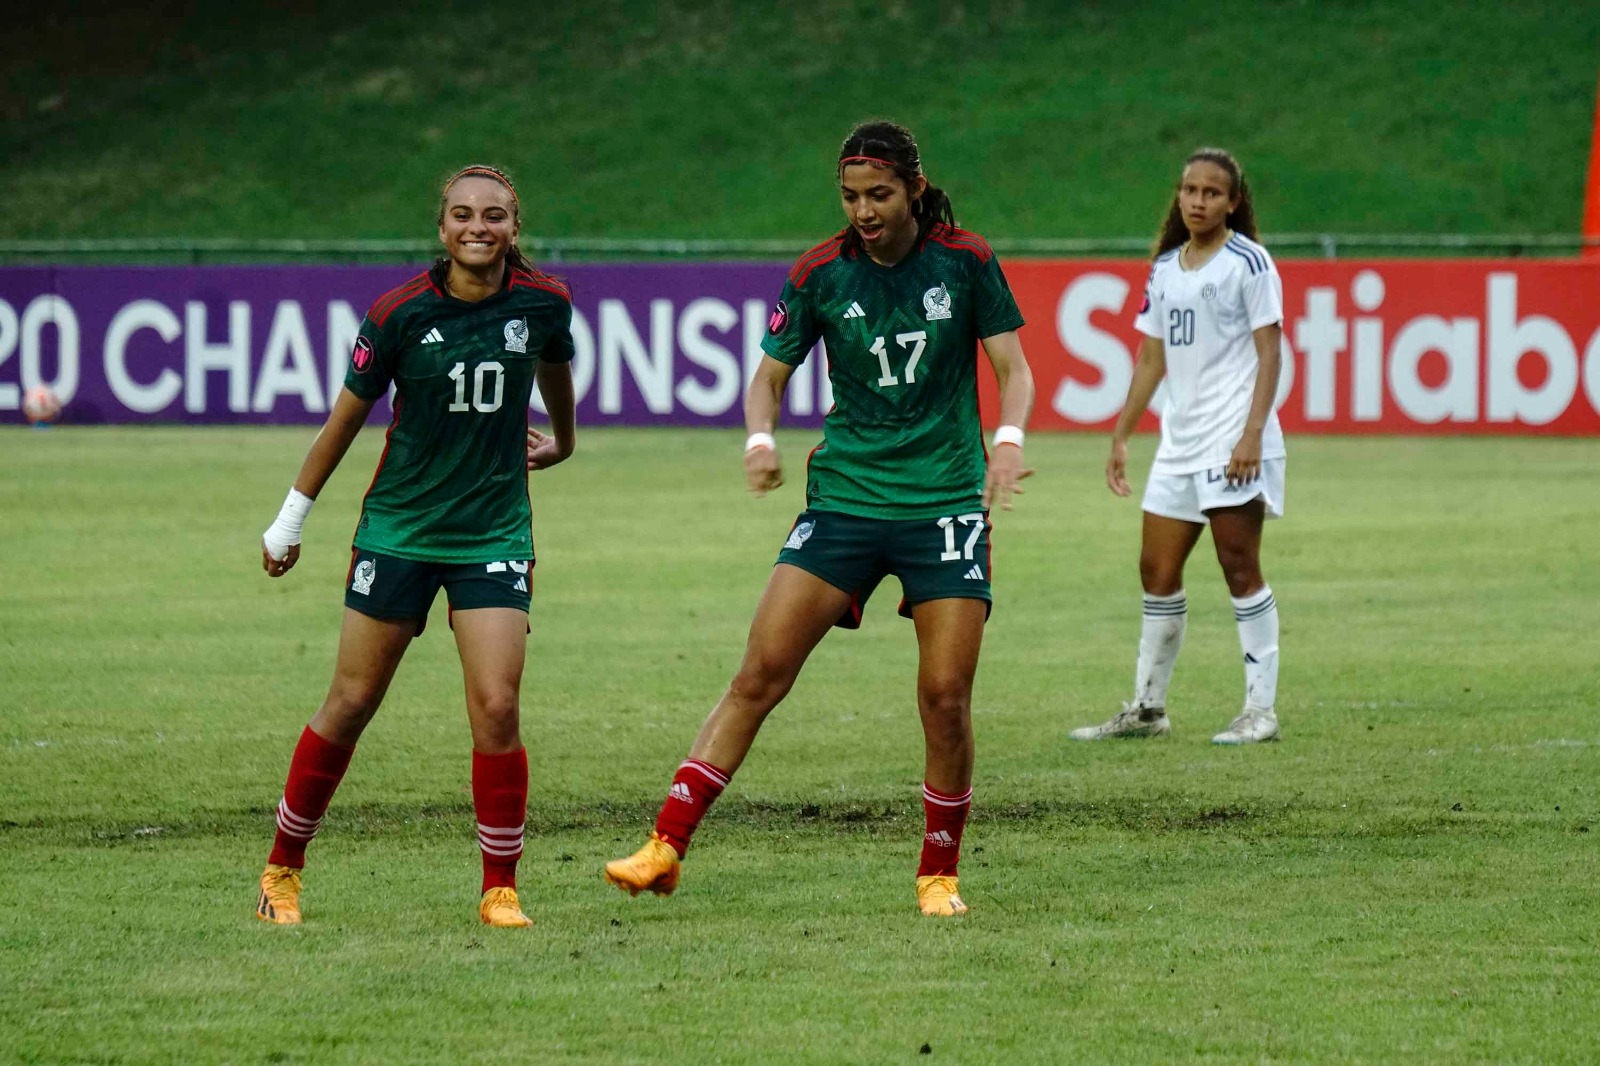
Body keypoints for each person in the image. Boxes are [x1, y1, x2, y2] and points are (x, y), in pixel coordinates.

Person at [603, 121, 1036, 917]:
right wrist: (760, 439)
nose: (864, 211)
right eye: (850, 196)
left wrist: (1007, 444)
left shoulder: (965, 261)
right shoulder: (820, 273)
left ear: (912, 188)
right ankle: (664, 846)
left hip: (943, 501)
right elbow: (766, 379)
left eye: (879, 194)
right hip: (844, 499)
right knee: (758, 675)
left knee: (944, 695)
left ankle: (938, 873)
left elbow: (1013, 367)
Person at [253, 164, 577, 928]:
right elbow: (342, 425)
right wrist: (290, 519)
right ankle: (281, 872)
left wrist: (564, 441)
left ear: (513, 227)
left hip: (493, 531)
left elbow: (555, 367)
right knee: (352, 701)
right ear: (441, 229)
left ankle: (500, 889)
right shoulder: (397, 314)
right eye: (462, 215)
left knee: (497, 706)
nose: (477, 227)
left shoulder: (545, 301)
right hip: (399, 530)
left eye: (493, 216)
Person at [1070, 147, 1285, 746]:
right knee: (1156, 571)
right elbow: (1150, 358)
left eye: (1212, 193)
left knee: (1239, 568)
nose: (1198, 201)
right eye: (1190, 190)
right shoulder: (1166, 267)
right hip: (1181, 442)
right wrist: (1121, 432)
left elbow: (1271, 352)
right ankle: (1147, 708)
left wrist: (1251, 434)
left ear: (1233, 203)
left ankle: (1259, 711)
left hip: (1233, 440)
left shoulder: (1249, 262)